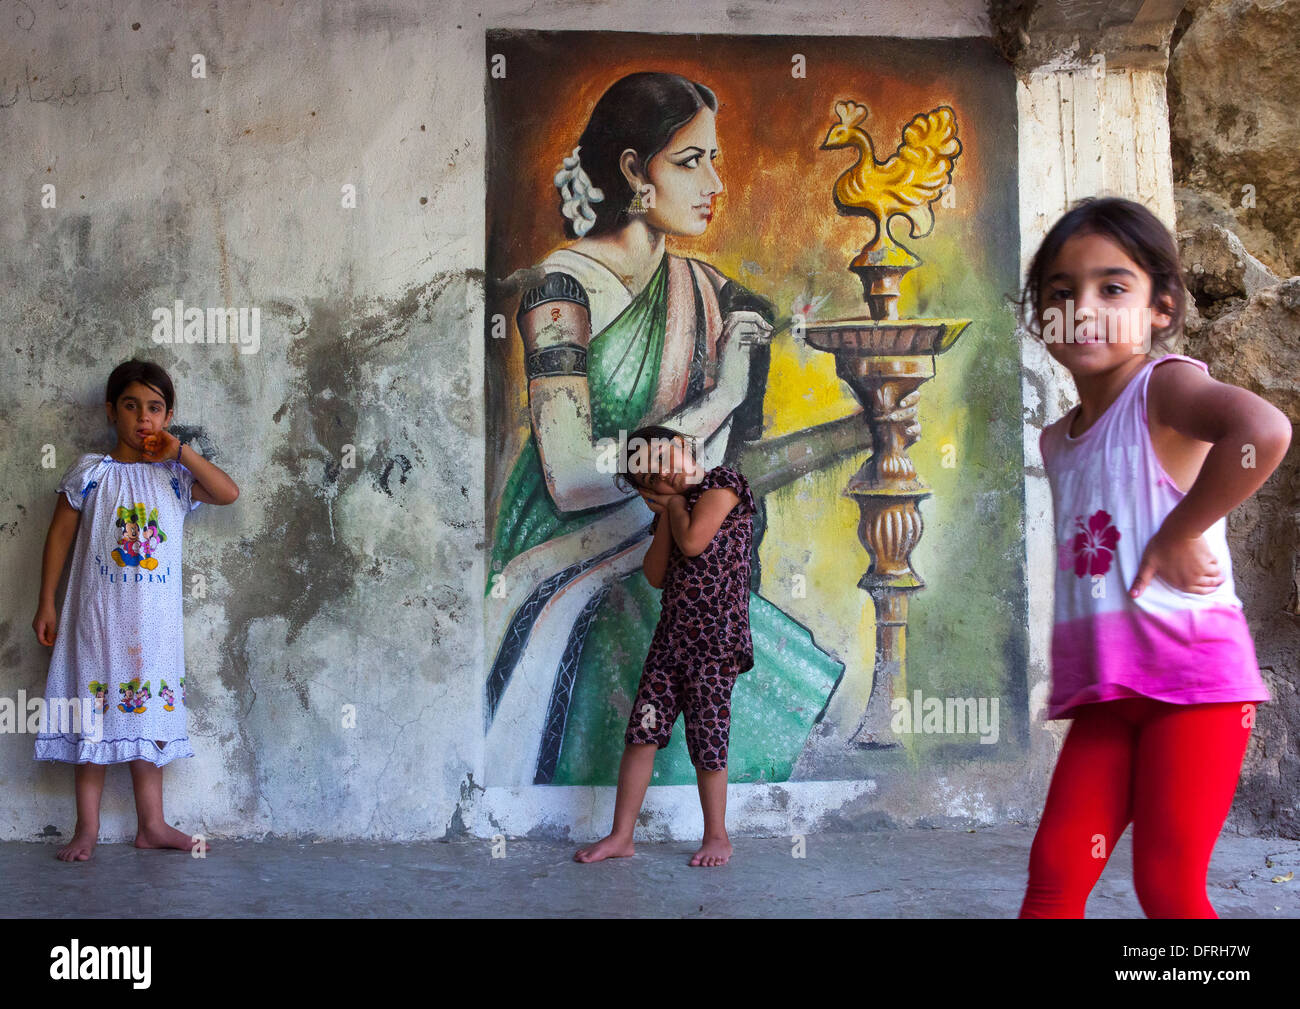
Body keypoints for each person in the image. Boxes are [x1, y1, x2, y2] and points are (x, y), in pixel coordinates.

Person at [485, 71, 845, 786]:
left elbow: (715, 474)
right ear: (632, 171)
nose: (714, 181)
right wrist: (725, 394)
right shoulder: (559, 292)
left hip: (671, 537)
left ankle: (701, 815)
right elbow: (570, 475)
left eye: (715, 158)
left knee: (731, 638)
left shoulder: (720, 297)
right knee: (636, 627)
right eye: (690, 160)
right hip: (564, 547)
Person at [1016, 196, 1291, 917]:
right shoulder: (1056, 439)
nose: (1082, 307)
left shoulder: (1162, 388)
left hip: (1196, 690)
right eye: (1059, 292)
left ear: (1160, 306)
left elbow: (1261, 429)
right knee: (1053, 877)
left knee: (1166, 887)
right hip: (1109, 696)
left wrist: (1181, 529)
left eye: (1113, 288)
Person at [32, 359, 239, 861]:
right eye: (131, 406)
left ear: (168, 417)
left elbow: (227, 493)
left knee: (147, 716)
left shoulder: (174, 477)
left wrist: (181, 452)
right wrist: (46, 601)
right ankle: (86, 830)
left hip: (153, 629)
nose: (142, 418)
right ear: (111, 411)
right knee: (95, 716)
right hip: (96, 623)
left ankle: (152, 825)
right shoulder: (91, 473)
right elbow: (59, 536)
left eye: (154, 408)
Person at [574, 425, 755, 866]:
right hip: (671, 642)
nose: (664, 474)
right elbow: (656, 575)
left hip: (715, 642)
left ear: (682, 446)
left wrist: (673, 506)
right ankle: (621, 836)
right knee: (642, 733)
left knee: (707, 736)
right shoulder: (671, 513)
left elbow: (694, 543)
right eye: (650, 479)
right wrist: (667, 515)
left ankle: (717, 836)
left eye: (663, 459)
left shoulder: (724, 484)